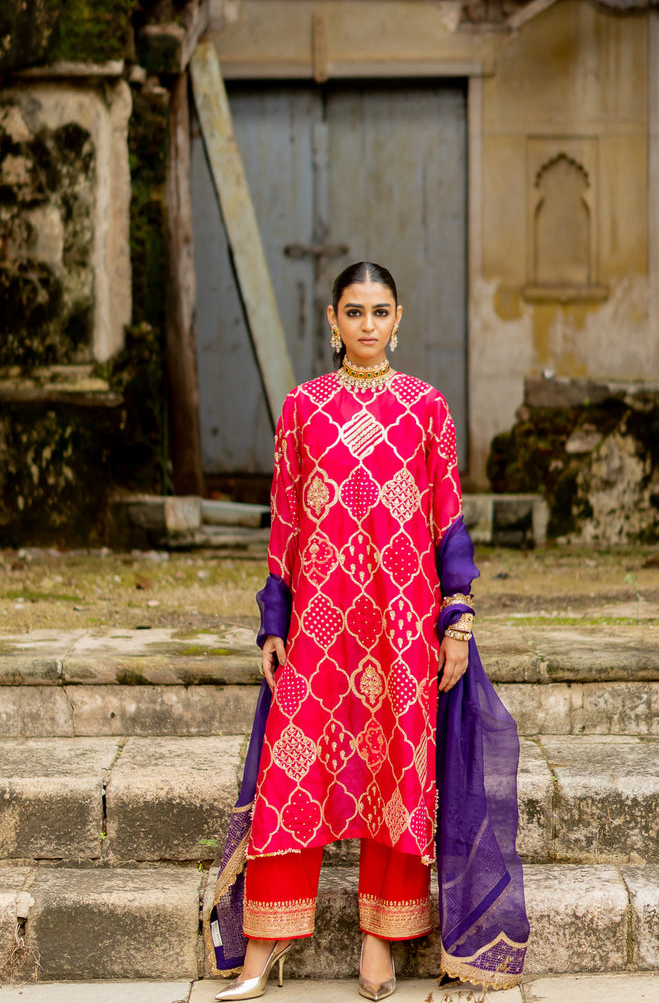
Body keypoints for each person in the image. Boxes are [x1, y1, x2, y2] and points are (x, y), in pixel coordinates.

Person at [207, 262, 529, 1000]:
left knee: (395, 775)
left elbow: (447, 521)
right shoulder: (302, 408)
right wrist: (273, 620)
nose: (367, 325)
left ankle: (379, 946)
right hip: (322, 627)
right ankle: (263, 944)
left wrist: (458, 620)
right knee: (293, 770)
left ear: (400, 317)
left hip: (399, 623)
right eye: (354, 311)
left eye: (380, 311)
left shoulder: (426, 409)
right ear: (331, 319)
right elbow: (285, 523)